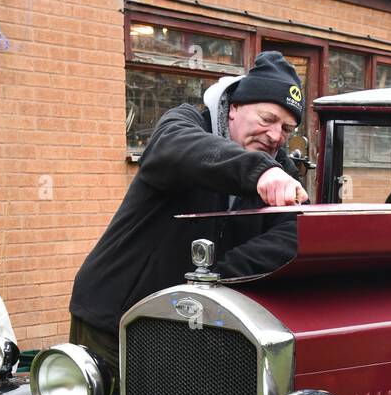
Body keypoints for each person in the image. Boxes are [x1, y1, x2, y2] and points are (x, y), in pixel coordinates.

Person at [68, 51, 309, 361]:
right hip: (112, 319)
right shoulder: (184, 124)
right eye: (268, 119)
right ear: (234, 107)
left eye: (287, 129)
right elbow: (173, 148)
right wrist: (258, 171)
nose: (276, 135)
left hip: (183, 326)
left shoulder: (281, 170)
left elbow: (299, 232)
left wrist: (217, 276)